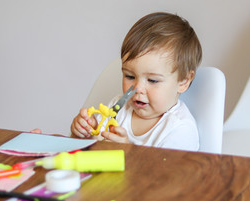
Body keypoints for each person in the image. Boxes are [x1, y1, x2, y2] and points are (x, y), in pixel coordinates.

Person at [70, 12, 202, 151]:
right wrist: (83, 136)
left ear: (183, 82)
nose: (137, 88)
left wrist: (129, 154)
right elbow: (90, 153)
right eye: (130, 76)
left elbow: (163, 173)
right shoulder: (118, 107)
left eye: (152, 80)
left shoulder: (179, 130)